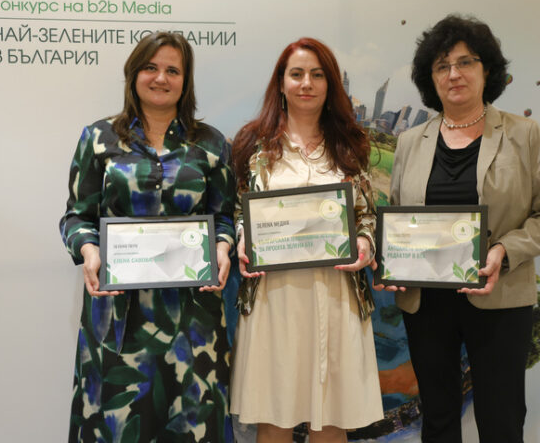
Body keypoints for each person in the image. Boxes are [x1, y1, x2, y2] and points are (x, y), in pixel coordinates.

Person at [374, 15, 540, 442]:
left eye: (465, 62)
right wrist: (392, 261)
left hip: (499, 297)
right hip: (426, 304)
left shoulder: (524, 134)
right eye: (442, 66)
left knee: (501, 421)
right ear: (430, 78)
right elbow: (398, 216)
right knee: (438, 419)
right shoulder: (410, 141)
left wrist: (504, 251)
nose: (454, 74)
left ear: (487, 70)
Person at [59, 32, 235, 442]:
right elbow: (76, 216)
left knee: (192, 423)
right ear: (133, 74)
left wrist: (223, 247)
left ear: (185, 80)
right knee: (117, 424)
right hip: (118, 315)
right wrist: (89, 250)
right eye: (150, 68)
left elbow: (224, 216)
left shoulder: (212, 144)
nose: (161, 78)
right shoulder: (98, 138)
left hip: (194, 318)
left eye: (173, 70)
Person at [229, 37, 383, 443]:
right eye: (296, 74)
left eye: (317, 75)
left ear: (330, 84)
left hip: (337, 292)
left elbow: (367, 216)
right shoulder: (253, 145)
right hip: (274, 296)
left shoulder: (351, 143)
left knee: (331, 420)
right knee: (273, 417)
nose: (306, 83)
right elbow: (239, 212)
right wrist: (243, 238)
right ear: (281, 83)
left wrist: (364, 244)